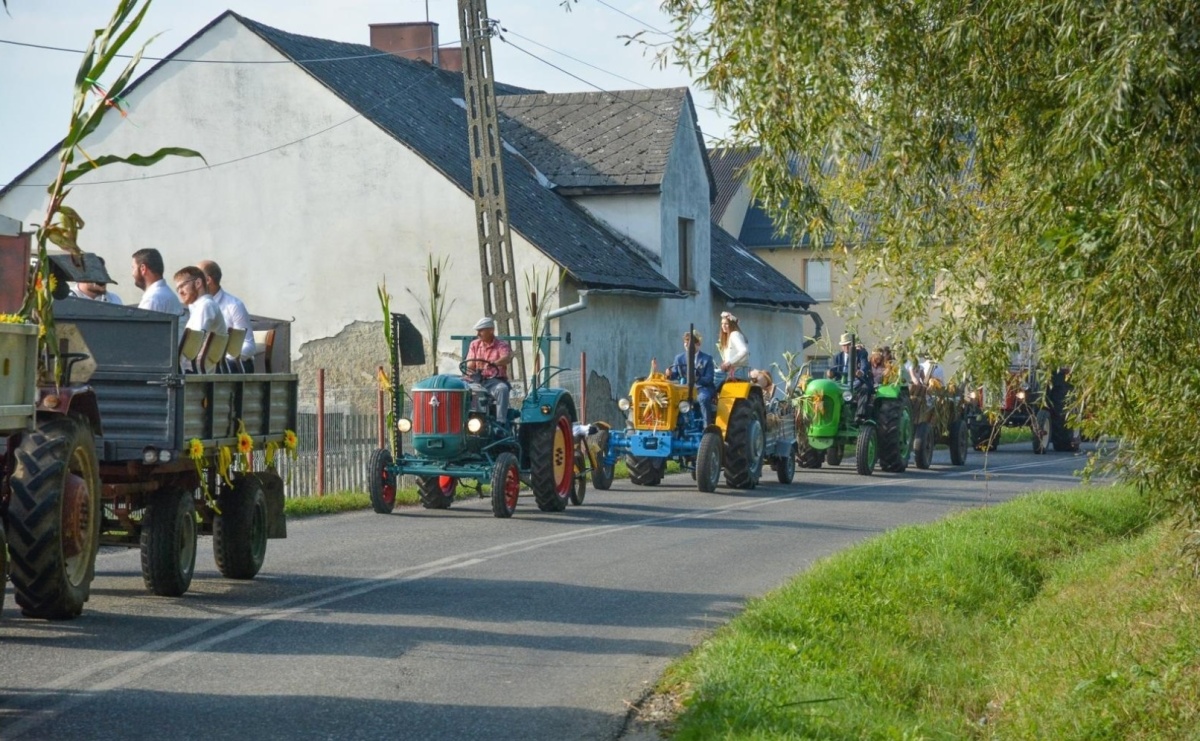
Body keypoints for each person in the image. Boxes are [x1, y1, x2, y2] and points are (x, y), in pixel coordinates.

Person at [198, 260, 257, 372]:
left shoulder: (234, 306)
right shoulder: (194, 307)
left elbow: (249, 345)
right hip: (203, 365)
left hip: (231, 364)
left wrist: (223, 358)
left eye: (195, 278)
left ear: (208, 280)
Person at [466, 316, 513, 424]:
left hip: (494, 381)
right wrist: (472, 364)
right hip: (476, 380)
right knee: (457, 388)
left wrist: (494, 363)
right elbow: (469, 364)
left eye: (481, 331)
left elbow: (506, 358)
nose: (478, 334)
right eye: (477, 331)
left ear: (491, 330)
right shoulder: (474, 344)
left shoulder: (501, 345)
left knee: (502, 389)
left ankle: (500, 422)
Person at [665, 330, 717, 427]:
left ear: (698, 344)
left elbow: (709, 379)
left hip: (702, 387)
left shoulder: (707, 359)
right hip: (684, 388)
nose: (686, 345)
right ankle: (673, 426)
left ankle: (707, 426)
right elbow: (675, 374)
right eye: (685, 342)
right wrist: (669, 374)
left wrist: (697, 378)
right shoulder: (679, 358)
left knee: (703, 398)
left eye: (689, 342)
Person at [174, 266, 227, 337]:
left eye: (182, 285)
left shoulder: (206, 305)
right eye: (177, 289)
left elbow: (194, 342)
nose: (180, 292)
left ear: (198, 283)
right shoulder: (202, 306)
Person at [831, 332, 873, 421]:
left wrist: (861, 372)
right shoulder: (837, 357)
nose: (846, 347)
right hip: (842, 383)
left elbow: (864, 365)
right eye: (844, 345)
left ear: (852, 345)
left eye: (848, 344)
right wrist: (830, 373)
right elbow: (833, 371)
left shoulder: (861, 354)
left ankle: (860, 416)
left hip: (858, 381)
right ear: (841, 346)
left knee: (865, 388)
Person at [132, 248, 184, 315]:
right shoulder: (167, 293)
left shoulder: (152, 300)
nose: (132, 273)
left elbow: (142, 325)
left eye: (133, 268)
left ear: (143, 269)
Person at [717, 311, 749, 378]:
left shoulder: (734, 334)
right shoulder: (728, 337)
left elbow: (744, 350)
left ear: (732, 325)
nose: (723, 326)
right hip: (733, 371)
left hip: (738, 371)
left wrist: (729, 363)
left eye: (726, 324)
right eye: (722, 324)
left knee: (713, 378)